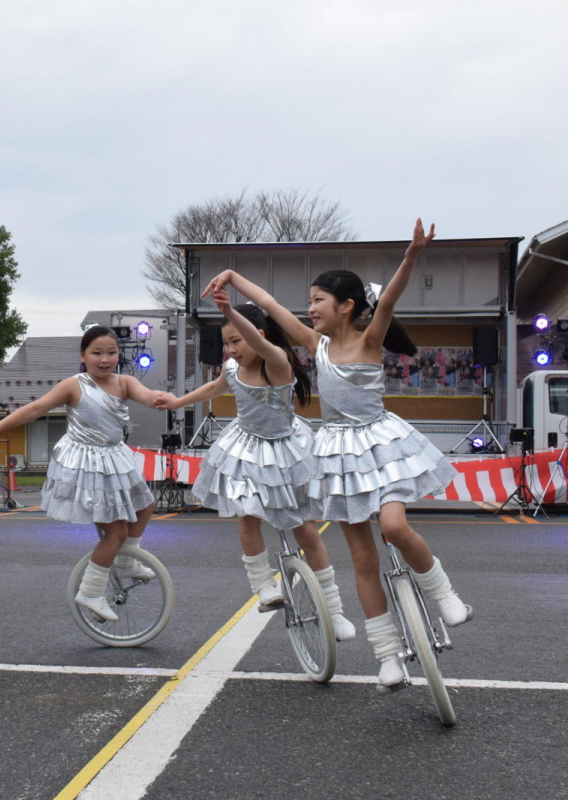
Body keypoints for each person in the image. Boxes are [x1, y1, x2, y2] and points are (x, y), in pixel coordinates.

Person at [204, 219, 472, 689]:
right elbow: (267, 307)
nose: (309, 310)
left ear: (347, 307)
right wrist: (230, 277)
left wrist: (412, 255)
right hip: (338, 453)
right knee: (363, 559)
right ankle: (387, 655)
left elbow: (388, 299)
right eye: (308, 302)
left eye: (318, 302)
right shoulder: (315, 344)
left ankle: (443, 592)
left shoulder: (369, 340)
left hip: (380, 444)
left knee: (393, 525)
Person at [155, 297, 356, 640]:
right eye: (227, 342)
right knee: (247, 515)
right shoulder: (232, 367)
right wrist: (178, 401)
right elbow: (216, 387)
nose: (231, 349)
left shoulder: (276, 362)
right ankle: (264, 586)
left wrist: (230, 311)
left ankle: (334, 611)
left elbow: (262, 344)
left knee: (306, 530)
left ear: (257, 334)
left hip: (287, 449)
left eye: (237, 340)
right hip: (247, 449)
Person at [0, 325, 160, 622]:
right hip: (85, 463)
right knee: (116, 531)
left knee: (146, 504)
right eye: (96, 353)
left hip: (113, 458)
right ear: (83, 356)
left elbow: (148, 395)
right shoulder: (75, 384)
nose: (104, 359)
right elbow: (35, 408)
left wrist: (165, 399)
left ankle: (125, 560)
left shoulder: (124, 382)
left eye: (111, 353)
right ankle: (91, 591)